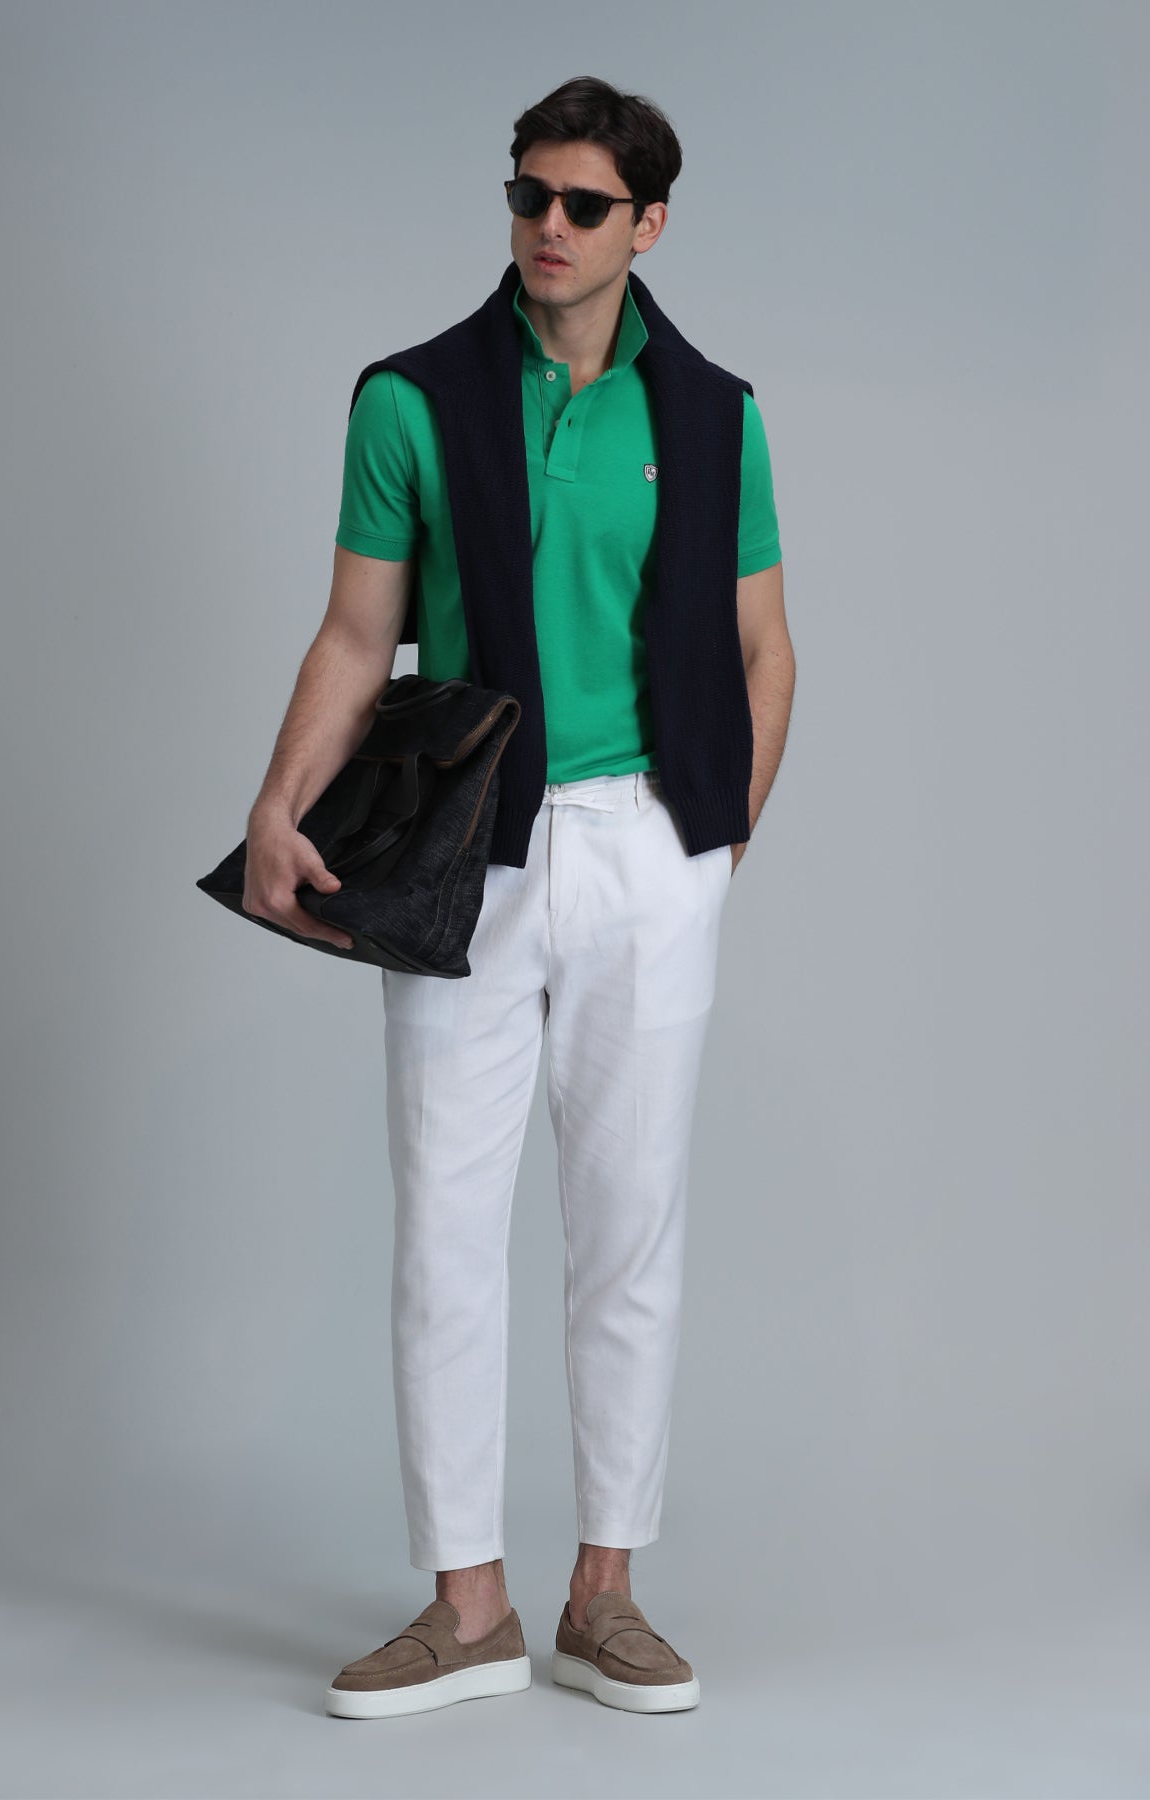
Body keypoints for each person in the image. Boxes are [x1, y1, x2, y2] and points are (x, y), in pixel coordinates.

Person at [242, 75, 795, 1718]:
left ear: (649, 225)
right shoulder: (410, 400)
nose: (547, 227)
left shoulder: (717, 415)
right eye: (528, 196)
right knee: (444, 1231)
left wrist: (716, 844)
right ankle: (466, 1605)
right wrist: (276, 805)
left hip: (649, 845)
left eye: (583, 205)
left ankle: (605, 1593)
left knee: (630, 1231)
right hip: (467, 845)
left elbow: (766, 647)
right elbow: (358, 636)